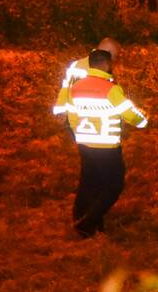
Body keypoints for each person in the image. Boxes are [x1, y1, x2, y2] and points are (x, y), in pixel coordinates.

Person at [66, 49, 148, 238]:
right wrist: (144, 121)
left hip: (85, 143)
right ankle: (87, 223)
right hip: (107, 146)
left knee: (89, 183)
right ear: (105, 65)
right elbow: (128, 113)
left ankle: (83, 222)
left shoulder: (76, 87)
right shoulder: (110, 89)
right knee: (113, 185)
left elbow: (71, 116)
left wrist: (78, 134)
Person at [53, 37, 121, 117]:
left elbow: (65, 89)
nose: (115, 60)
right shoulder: (101, 68)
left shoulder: (77, 64)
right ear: (108, 53)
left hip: (75, 116)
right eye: (115, 56)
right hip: (85, 117)